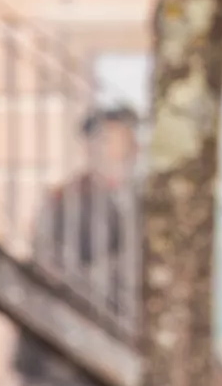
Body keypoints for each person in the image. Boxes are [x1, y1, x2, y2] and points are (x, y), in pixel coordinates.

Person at [14, 105, 140, 386]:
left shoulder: (139, 203)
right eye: (122, 138)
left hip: (113, 347)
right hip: (61, 356)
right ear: (94, 146)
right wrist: (124, 270)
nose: (132, 147)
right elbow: (54, 269)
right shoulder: (64, 201)